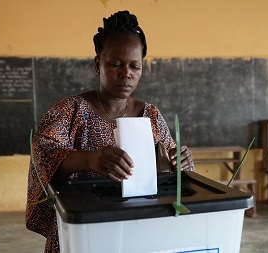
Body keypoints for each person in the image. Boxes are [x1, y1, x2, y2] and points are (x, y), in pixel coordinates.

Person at [25, 10, 195, 252]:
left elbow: (168, 164)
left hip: (139, 227)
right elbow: (42, 154)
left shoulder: (151, 115)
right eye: (115, 64)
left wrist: (181, 162)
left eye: (134, 66)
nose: (126, 73)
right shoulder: (71, 111)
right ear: (98, 64)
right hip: (84, 228)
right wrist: (89, 159)